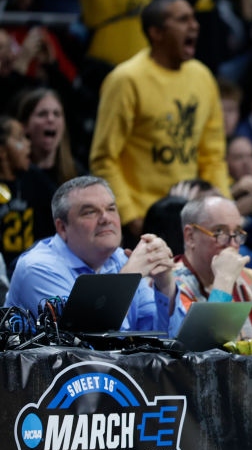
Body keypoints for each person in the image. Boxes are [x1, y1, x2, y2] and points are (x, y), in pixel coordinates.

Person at [89, 0, 231, 242]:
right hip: (144, 222)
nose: (194, 25)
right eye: (182, 20)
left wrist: (225, 209)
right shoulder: (126, 80)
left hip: (193, 221)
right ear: (156, 32)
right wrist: (130, 216)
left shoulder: (203, 77)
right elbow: (104, 158)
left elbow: (212, 155)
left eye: (194, 18)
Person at [3, 176, 185, 333]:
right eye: (90, 212)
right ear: (62, 227)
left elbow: (161, 338)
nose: (105, 218)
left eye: (111, 209)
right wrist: (127, 279)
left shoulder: (121, 258)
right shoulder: (37, 268)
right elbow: (87, 346)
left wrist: (165, 284)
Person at [173, 196, 252, 349]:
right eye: (219, 231)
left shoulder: (247, 278)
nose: (233, 243)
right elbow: (202, 349)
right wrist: (224, 281)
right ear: (190, 237)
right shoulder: (169, 285)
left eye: (237, 232)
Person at [0, 115, 56, 273]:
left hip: (33, 269)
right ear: (2, 151)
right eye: (20, 139)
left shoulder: (36, 179)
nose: (28, 144)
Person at [14, 88, 82, 188]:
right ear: (24, 126)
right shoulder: (11, 174)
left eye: (56, 114)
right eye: (42, 114)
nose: (51, 119)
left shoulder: (78, 174)